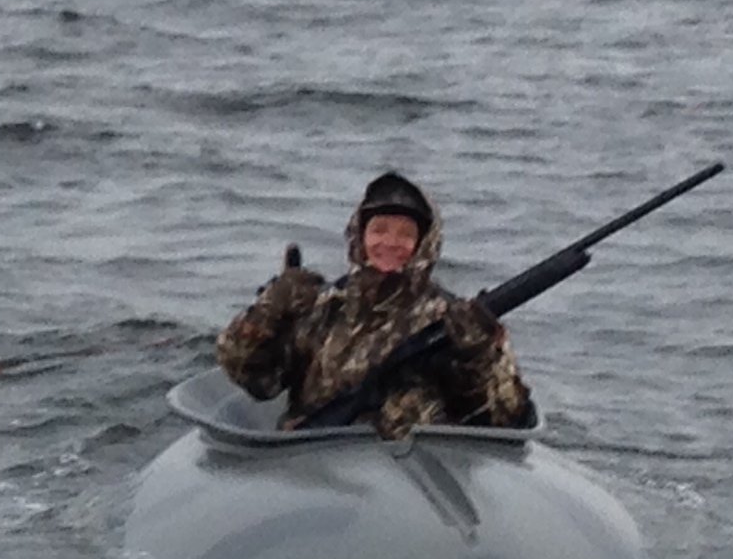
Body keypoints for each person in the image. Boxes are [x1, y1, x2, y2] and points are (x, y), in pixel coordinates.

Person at [216, 171, 533, 439]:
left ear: (424, 244)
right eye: (379, 230)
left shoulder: (452, 321)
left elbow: (508, 420)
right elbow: (254, 381)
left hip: (411, 474)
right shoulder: (324, 307)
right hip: (312, 465)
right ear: (360, 235)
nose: (390, 243)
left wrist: (481, 353)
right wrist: (271, 308)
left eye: (405, 234)